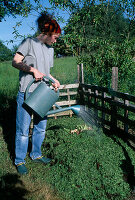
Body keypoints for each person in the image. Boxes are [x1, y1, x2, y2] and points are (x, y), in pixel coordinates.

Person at [12, 12, 61, 175]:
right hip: (27, 93)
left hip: (43, 94)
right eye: (55, 36)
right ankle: (19, 161)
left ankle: (36, 154)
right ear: (47, 33)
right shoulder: (28, 42)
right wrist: (32, 70)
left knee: (40, 127)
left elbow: (46, 72)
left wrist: (54, 80)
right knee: (23, 130)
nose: (56, 40)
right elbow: (15, 61)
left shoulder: (50, 50)